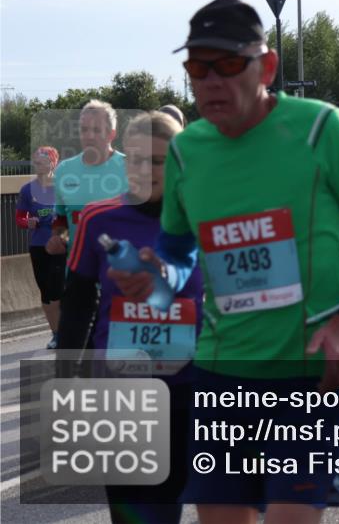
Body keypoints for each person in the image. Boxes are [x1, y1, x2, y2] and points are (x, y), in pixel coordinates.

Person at [110, 0, 339, 520]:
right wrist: (156, 277)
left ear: (267, 67)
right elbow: (179, 253)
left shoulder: (320, 129)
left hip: (309, 374)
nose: (211, 81)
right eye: (197, 68)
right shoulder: (186, 151)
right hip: (219, 373)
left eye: (228, 64)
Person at [59, 112, 203, 524]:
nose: (145, 170)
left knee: (166, 506)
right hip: (121, 387)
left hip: (189, 386)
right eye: (136, 159)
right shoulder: (98, 219)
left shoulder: (204, 218)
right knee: (130, 513)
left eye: (158, 161)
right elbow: (78, 303)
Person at [47, 100, 128, 258]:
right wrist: (61, 240)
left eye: (97, 130)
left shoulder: (132, 168)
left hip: (122, 270)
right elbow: (61, 219)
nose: (89, 136)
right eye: (84, 129)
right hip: (76, 270)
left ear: (111, 134)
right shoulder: (64, 170)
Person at [16, 146, 65, 348]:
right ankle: (56, 334)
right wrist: (27, 222)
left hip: (61, 245)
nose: (38, 166)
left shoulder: (63, 187)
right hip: (38, 246)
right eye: (36, 162)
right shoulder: (27, 190)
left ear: (53, 164)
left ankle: (68, 331)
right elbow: (20, 218)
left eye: (42, 162)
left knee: (57, 291)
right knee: (46, 293)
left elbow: (73, 214)